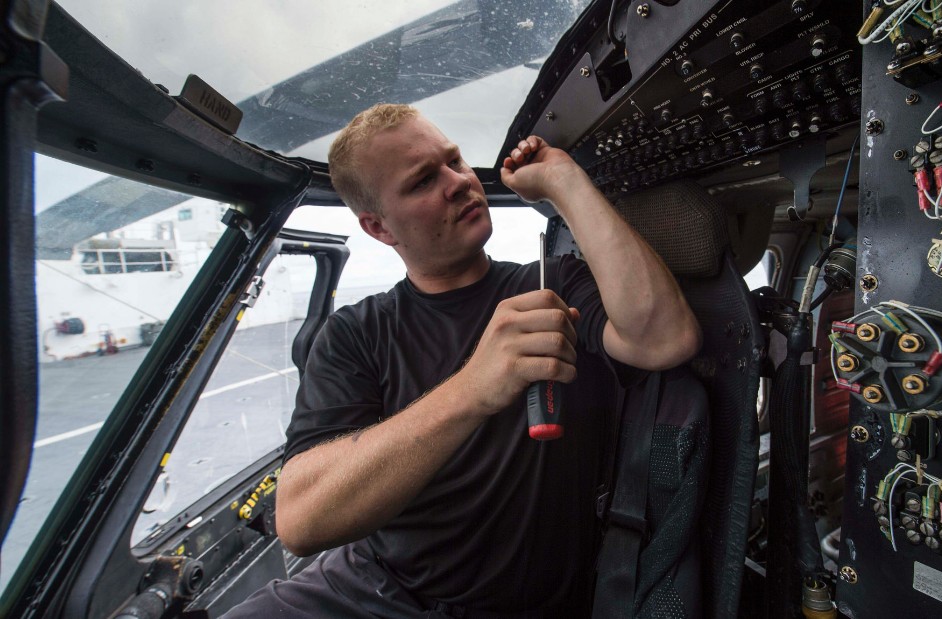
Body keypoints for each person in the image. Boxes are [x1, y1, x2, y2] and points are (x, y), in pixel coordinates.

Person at [224, 104, 701, 618]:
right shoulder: (355, 333)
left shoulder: (551, 282)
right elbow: (300, 522)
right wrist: (472, 389)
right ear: (379, 228)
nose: (457, 182)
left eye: (455, 161)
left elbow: (664, 339)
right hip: (373, 591)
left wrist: (565, 181)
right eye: (423, 181)